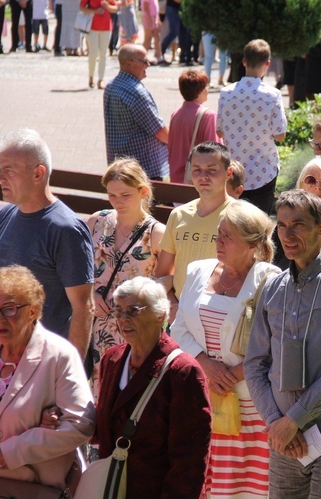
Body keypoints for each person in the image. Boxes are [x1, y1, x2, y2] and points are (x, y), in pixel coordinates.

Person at [244, 189, 321, 497]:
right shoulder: (272, 286)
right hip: (284, 441)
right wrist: (278, 423)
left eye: (298, 224)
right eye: (283, 225)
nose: (287, 234)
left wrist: (294, 419)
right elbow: (254, 363)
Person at [172, 201, 279, 498]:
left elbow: (277, 342)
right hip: (201, 399)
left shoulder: (270, 280)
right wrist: (206, 365)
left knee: (247, 490)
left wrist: (232, 374)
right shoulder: (198, 271)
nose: (218, 242)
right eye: (218, 234)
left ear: (252, 244)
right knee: (200, 485)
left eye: (227, 236)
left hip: (250, 405)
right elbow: (178, 328)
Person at [0, 265, 95, 488]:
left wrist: (16, 450)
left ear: (32, 311)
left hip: (33, 488)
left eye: (9, 309)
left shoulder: (59, 356)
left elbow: (80, 424)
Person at [95, 276, 212, 497]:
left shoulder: (183, 372)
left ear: (160, 315)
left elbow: (189, 461)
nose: (123, 319)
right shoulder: (112, 359)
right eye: (118, 311)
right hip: (110, 489)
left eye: (133, 311)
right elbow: (105, 424)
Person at [0, 129, 94, 358]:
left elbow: (83, 308)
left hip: (41, 369)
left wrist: (66, 376)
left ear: (38, 174)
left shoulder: (66, 229)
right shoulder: (2, 217)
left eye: (9, 170)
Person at [87, 158, 165, 399]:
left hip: (133, 327)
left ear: (143, 192)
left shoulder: (156, 232)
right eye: (112, 195)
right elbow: (81, 268)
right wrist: (91, 294)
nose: (118, 202)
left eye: (125, 195)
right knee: (92, 390)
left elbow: (164, 285)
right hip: (95, 325)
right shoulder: (97, 221)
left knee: (125, 392)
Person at [155, 141, 234, 311]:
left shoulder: (240, 216)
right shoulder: (178, 215)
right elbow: (162, 273)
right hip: (179, 314)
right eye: (197, 169)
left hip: (220, 313)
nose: (203, 176)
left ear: (229, 173)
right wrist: (173, 305)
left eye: (212, 170)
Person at [216, 39, 287, 215]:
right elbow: (280, 135)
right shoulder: (273, 95)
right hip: (263, 171)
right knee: (260, 222)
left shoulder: (226, 93)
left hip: (234, 170)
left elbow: (219, 130)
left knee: (234, 221)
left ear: (244, 61)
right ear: (268, 64)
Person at [104, 43, 169, 180]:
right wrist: (178, 144)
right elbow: (159, 131)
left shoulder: (111, 85)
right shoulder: (136, 92)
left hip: (118, 164)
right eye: (144, 61)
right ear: (129, 63)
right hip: (143, 169)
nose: (148, 65)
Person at [167, 69, 220, 184]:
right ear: (200, 91)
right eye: (206, 86)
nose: (208, 90)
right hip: (197, 182)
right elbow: (215, 153)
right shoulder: (208, 116)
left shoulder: (175, 114)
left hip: (176, 180)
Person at [80, 0, 118, 90]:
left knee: (103, 55)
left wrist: (107, 6)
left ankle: (100, 80)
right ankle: (91, 77)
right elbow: (81, 8)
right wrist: (94, 11)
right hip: (92, 27)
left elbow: (115, 9)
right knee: (93, 54)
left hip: (106, 27)